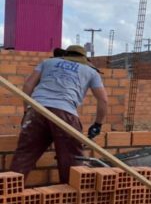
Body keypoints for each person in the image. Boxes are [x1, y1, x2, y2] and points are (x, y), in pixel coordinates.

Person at [11, 45, 108, 184]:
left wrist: (27, 111)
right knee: (71, 161)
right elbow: (103, 100)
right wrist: (98, 124)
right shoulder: (91, 71)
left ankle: (8, 193)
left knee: (24, 156)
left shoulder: (47, 62)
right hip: (65, 114)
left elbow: (27, 86)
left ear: (65, 55)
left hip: (37, 110)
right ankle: (69, 199)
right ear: (84, 58)